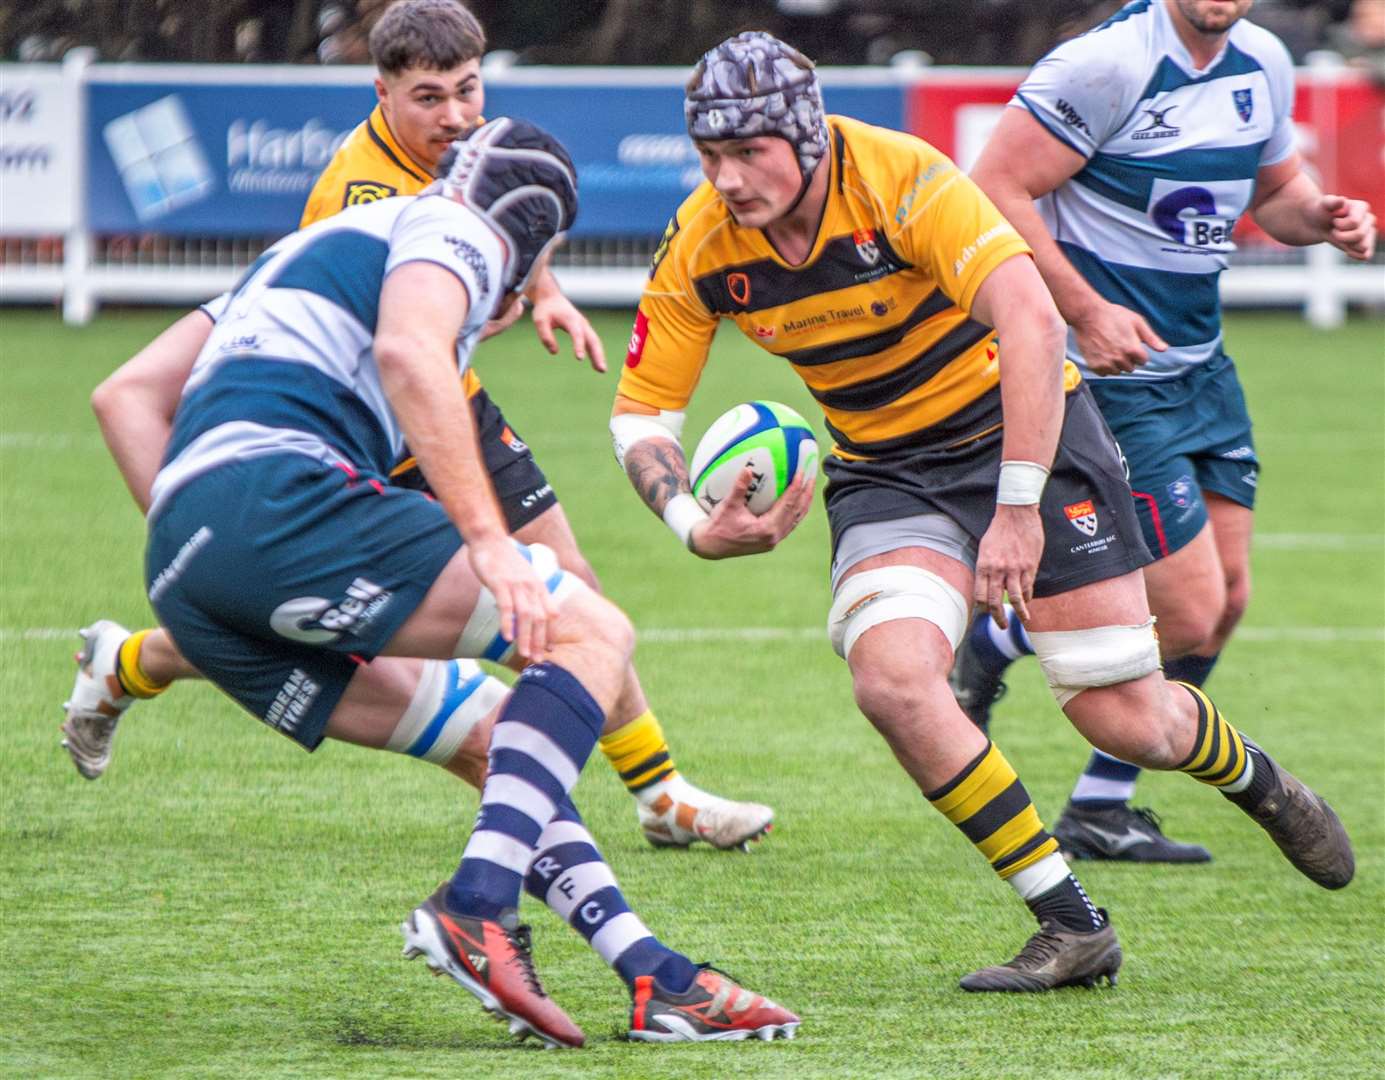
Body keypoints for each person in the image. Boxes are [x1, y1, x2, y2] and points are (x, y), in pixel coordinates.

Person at [610, 30, 1355, 992]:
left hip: (1027, 427)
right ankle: (1069, 921)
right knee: (890, 678)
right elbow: (642, 415)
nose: (730, 179)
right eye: (711, 157)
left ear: (807, 136)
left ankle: (1249, 775)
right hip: (888, 467)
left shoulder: (900, 180)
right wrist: (688, 525)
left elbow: (1032, 321)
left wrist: (1015, 508)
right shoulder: (703, 243)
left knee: (1126, 720)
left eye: (750, 152)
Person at [120, 117, 799, 1047]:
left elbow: (123, 391)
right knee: (590, 629)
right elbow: (409, 354)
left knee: (495, 745)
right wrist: (486, 541)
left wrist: (206, 543)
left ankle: (652, 977)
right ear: (532, 232)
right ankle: (476, 906)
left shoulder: (320, 244)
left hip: (187, 573)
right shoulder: (457, 225)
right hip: (276, 500)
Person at [62, 0, 774, 853]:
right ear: (382, 93)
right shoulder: (354, 192)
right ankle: (138, 660)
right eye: (429, 98)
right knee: (428, 617)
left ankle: (658, 793)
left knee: (569, 580)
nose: (456, 115)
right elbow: (374, 334)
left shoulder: (476, 146)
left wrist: (542, 291)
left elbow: (514, 210)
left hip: (452, 395)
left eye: (467, 90)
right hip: (377, 415)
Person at [955, 0, 1378, 863]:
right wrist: (1085, 311)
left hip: (1202, 372)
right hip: (1108, 380)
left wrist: (1327, 219)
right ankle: (996, 636)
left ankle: (1098, 808)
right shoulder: (1104, 65)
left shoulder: (1259, 62)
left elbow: (1278, 196)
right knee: (1185, 612)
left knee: (1224, 606)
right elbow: (992, 187)